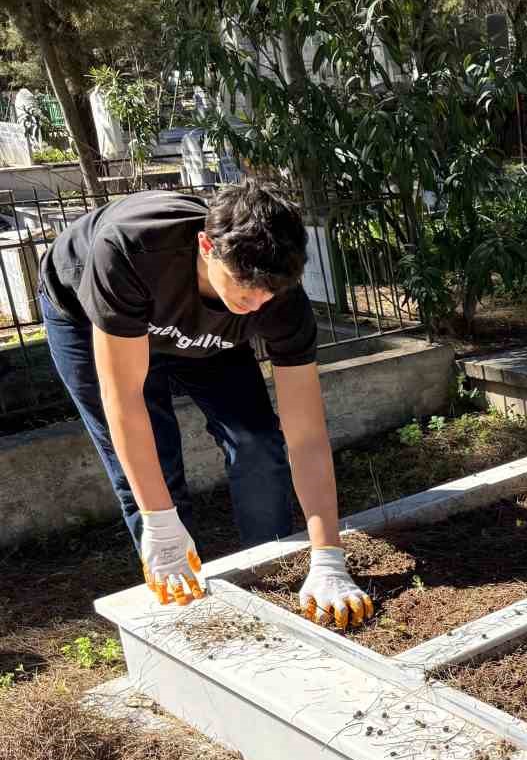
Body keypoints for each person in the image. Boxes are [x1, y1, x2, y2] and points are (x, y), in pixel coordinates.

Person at [39, 181, 373, 628]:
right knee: (154, 462)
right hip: (92, 316)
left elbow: (306, 433)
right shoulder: (129, 249)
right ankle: (182, 596)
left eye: (267, 294)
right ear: (206, 245)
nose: (257, 302)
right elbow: (125, 403)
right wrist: (159, 521)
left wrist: (328, 555)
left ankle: (268, 565)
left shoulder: (275, 296)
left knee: (257, 439)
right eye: (246, 287)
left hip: (204, 330)